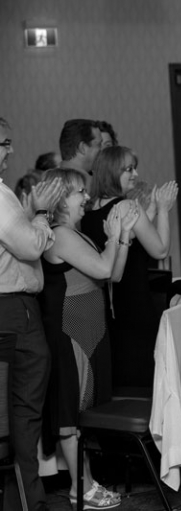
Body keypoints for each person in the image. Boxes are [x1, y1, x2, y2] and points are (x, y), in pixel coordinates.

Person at [38, 168, 138, 509]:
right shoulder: (60, 234)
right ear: (62, 199)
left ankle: (87, 484)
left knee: (80, 416)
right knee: (68, 417)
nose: (86, 198)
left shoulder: (78, 235)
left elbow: (116, 273)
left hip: (89, 333)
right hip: (69, 336)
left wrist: (121, 234)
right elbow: (103, 270)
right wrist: (114, 238)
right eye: (79, 192)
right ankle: (81, 488)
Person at [0, 116, 64, 511]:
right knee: (23, 413)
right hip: (13, 311)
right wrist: (39, 213)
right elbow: (27, 247)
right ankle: (26, 502)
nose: (9, 151)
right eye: (4, 143)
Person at [81, 146, 177, 391]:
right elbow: (161, 250)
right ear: (112, 172)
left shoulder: (87, 210)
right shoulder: (125, 207)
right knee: (143, 376)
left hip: (101, 305)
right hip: (133, 302)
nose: (135, 174)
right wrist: (164, 209)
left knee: (117, 377)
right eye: (128, 169)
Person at [58, 119, 102, 188]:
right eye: (99, 145)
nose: (101, 150)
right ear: (83, 147)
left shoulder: (48, 181)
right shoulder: (93, 187)